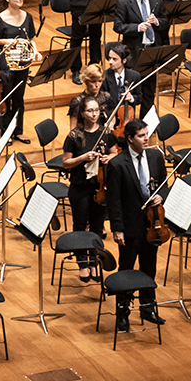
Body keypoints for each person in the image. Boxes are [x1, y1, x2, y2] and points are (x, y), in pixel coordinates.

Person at [104, 118, 169, 330]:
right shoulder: (116, 164)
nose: (146, 138)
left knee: (149, 268)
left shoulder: (155, 156)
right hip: (130, 226)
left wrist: (161, 197)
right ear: (130, 138)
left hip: (153, 224)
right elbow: (114, 200)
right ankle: (122, 313)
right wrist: (117, 229)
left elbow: (163, 185)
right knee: (126, 270)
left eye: (147, 134)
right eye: (141, 136)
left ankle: (148, 307)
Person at [60, 97, 110, 280]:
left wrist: (107, 159)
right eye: (90, 111)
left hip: (100, 187)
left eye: (96, 110)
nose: (94, 114)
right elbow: (66, 163)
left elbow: (114, 152)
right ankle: (82, 262)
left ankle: (94, 261)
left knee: (97, 226)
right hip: (80, 187)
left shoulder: (105, 133)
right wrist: (83, 158)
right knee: (80, 225)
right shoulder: (74, 136)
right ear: (82, 113)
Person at [0, 0, 36, 141]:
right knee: (6, 97)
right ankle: (4, 132)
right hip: (6, 65)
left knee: (19, 97)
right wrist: (5, 41)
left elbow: (31, 39)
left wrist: (35, 52)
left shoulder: (27, 17)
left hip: (23, 63)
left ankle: (18, 130)